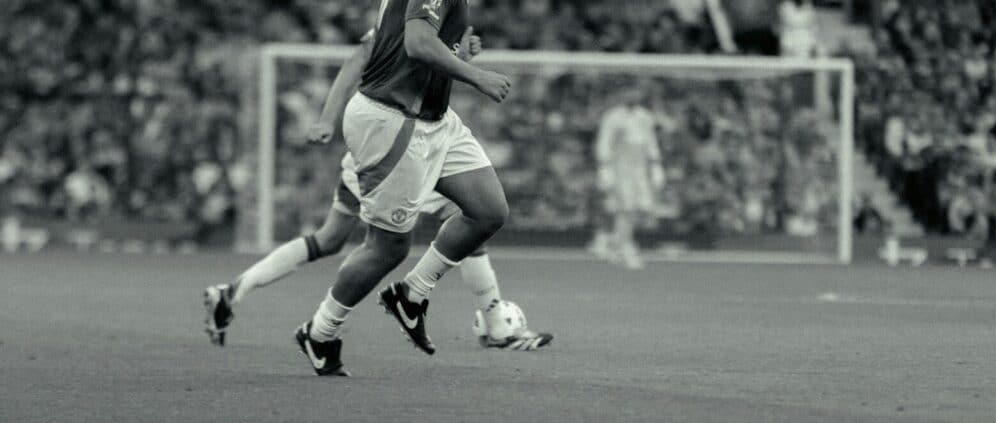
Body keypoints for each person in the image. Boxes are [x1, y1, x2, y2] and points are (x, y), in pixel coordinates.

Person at [204, 26, 552, 359]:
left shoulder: (436, 13)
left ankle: (234, 291)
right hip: (395, 142)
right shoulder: (410, 12)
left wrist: (459, 55)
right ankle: (491, 324)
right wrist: (326, 118)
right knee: (403, 240)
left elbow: (424, 65)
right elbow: (362, 58)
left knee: (331, 239)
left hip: (403, 136)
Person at [591, 86, 664, 270]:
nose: (633, 96)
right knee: (625, 208)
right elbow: (604, 142)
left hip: (640, 168)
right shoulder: (613, 117)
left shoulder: (645, 117)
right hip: (620, 167)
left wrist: (656, 165)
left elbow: (651, 142)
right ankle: (625, 247)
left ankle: (613, 241)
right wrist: (605, 167)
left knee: (643, 208)